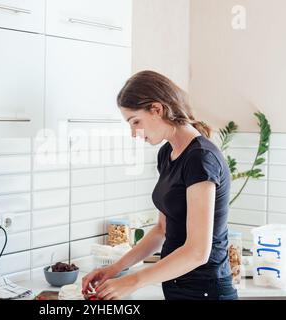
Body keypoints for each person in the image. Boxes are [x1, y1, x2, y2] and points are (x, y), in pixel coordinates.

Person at [81, 70, 238, 300]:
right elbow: (161, 229)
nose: (134, 133)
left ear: (157, 109)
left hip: (206, 292)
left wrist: (132, 281)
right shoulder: (168, 153)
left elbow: (197, 252)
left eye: (135, 121)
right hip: (176, 289)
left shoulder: (200, 158)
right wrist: (114, 270)